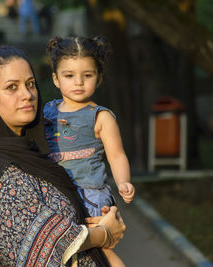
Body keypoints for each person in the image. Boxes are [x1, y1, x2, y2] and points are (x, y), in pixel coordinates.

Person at [0, 44, 127, 266]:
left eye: (30, 84)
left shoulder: (32, 151)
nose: (27, 95)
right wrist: (104, 233)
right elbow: (39, 243)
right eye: (12, 87)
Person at [44, 36, 136, 266]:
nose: (78, 82)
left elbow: (116, 154)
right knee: (68, 252)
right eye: (69, 76)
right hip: (56, 192)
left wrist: (124, 181)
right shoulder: (47, 111)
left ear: (99, 78)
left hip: (89, 194)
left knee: (99, 251)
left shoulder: (100, 116)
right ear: (56, 79)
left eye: (87, 75)